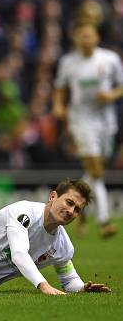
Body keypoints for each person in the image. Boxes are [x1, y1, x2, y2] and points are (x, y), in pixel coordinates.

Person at [53, 21, 123, 238]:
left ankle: (81, 212)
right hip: (81, 119)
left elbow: (121, 85)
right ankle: (104, 221)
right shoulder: (68, 62)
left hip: (106, 121)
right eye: (81, 36)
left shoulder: (110, 59)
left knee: (94, 174)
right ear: (76, 39)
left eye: (89, 36)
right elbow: (60, 88)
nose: (85, 40)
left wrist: (111, 95)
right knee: (96, 171)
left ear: (96, 38)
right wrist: (58, 106)